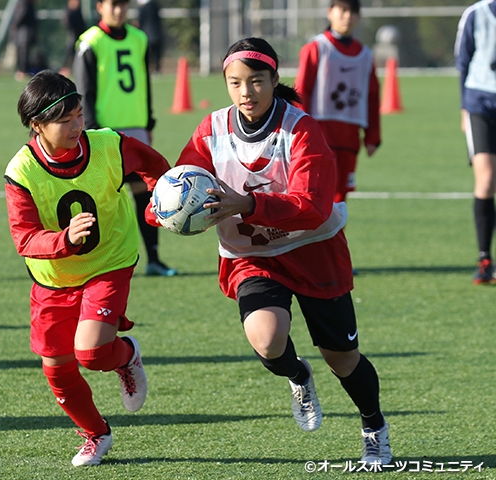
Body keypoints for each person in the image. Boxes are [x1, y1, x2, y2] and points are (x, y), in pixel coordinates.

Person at [152, 37, 392, 465]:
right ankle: (298, 374)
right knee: (266, 339)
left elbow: (316, 208)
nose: (247, 93)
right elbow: (185, 179)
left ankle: (373, 424)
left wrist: (248, 204)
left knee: (343, 359)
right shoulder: (212, 129)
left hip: (314, 249)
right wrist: (165, 211)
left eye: (256, 81)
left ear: (275, 80)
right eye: (235, 82)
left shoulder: (301, 128)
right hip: (252, 256)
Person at [4, 70, 172, 467]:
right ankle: (95, 434)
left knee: (93, 353)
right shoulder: (21, 172)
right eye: (65, 121)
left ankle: (125, 354)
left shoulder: (109, 144)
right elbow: (25, 238)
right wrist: (64, 239)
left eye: (79, 115)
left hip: (109, 262)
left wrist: (158, 206)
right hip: (53, 278)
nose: (78, 126)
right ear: (37, 125)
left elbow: (154, 166)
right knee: (57, 369)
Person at [73, 0, 176, 277]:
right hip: (105, 131)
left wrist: (148, 120)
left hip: (136, 128)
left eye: (122, 5)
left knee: (145, 192)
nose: (118, 10)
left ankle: (154, 258)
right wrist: (91, 130)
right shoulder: (90, 42)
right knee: (103, 196)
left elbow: (144, 82)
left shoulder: (139, 38)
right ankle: (97, 262)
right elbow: (85, 90)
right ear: (99, 7)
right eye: (112, 5)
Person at [295, 0, 380, 206]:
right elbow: (301, 91)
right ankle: (313, 238)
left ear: (358, 17)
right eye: (342, 10)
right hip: (320, 133)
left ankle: (335, 238)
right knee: (316, 193)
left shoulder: (365, 55)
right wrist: (301, 130)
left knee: (341, 198)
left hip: (350, 136)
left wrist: (372, 136)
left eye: (352, 12)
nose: (347, 17)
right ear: (330, 13)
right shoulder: (316, 47)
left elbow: (372, 96)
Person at [455, 0, 496, 284]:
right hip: (480, 104)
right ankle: (485, 259)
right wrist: (464, 109)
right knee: (487, 179)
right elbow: (463, 61)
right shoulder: (476, 14)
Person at [11, 0, 38, 80]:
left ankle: (23, 70)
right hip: (24, 31)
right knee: (23, 51)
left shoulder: (25, 2)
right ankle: (22, 70)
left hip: (25, 31)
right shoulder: (25, 2)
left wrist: (15, 24)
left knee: (23, 51)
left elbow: (22, 14)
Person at [59, 0, 86, 77]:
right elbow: (66, 23)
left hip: (79, 36)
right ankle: (65, 68)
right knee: (70, 52)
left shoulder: (78, 12)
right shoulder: (68, 12)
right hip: (72, 36)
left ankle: (74, 68)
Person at [137, 0, 163, 75]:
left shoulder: (142, 9)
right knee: (156, 54)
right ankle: (157, 70)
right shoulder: (155, 6)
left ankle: (148, 70)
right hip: (157, 34)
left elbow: (140, 21)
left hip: (146, 36)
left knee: (148, 55)